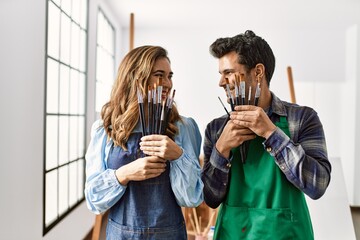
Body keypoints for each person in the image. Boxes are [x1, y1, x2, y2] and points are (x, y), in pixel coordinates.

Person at [201, 30, 331, 240]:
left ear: (258, 72)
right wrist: (221, 149)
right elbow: (210, 198)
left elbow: (318, 185)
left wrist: (271, 133)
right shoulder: (216, 129)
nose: (221, 82)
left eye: (229, 72)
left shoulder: (302, 119)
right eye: (220, 74)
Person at [85, 45, 203, 239]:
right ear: (136, 78)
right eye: (159, 75)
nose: (167, 83)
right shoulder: (105, 129)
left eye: (169, 76)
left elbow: (191, 199)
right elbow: (94, 201)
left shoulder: (184, 127)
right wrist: (124, 174)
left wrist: (178, 155)